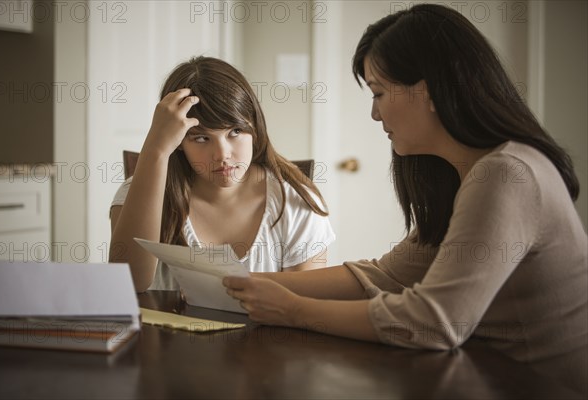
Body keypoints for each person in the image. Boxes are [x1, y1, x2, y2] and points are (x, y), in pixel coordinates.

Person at [223, 4, 587, 396]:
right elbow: (388, 276)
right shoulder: (464, 172)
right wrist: (248, 284)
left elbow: (435, 322)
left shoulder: (505, 174)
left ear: (429, 90)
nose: (375, 113)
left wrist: (293, 310)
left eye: (379, 92)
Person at [109, 56, 335, 293]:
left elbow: (305, 304)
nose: (222, 154)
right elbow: (129, 284)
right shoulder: (133, 192)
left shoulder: (296, 201)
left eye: (235, 131)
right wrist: (155, 150)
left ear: (254, 127)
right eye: (201, 138)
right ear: (178, 143)